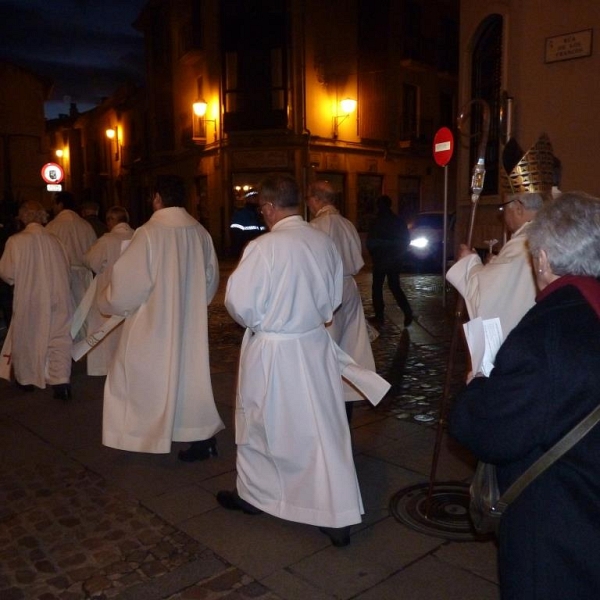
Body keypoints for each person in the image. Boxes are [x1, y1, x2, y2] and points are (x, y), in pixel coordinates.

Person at [450, 191, 600, 600]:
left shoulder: (548, 331)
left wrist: (476, 389)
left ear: (544, 259)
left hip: (562, 527)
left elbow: (491, 430)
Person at [219, 174, 364, 547]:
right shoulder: (323, 242)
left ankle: (259, 494)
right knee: (320, 428)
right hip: (313, 347)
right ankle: (332, 512)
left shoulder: (263, 247)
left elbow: (240, 303)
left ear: (268, 208)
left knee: (261, 423)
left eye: (262, 210)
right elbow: (333, 299)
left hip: (274, 351)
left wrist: (267, 323)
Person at [97, 175, 224, 459]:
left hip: (151, 323)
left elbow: (128, 284)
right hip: (187, 323)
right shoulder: (199, 232)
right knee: (188, 379)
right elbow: (211, 278)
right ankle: (199, 436)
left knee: (136, 378)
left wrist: (108, 302)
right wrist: (190, 305)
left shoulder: (148, 234)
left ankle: (143, 435)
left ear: (157, 197)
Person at [307, 180, 376, 422]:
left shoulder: (315, 226)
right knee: (349, 347)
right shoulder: (347, 224)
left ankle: (329, 411)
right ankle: (345, 407)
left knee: (327, 351)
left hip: (329, 291)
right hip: (350, 288)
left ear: (316, 199)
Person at [446, 191, 548, 339]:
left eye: (503, 208)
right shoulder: (549, 234)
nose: (503, 214)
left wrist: (469, 262)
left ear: (518, 208)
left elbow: (489, 300)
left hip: (521, 340)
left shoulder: (523, 243)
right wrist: (494, 266)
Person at [0, 201, 73, 400]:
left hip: (31, 296)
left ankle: (27, 379)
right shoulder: (56, 240)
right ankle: (61, 381)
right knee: (59, 338)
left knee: (27, 337)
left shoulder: (16, 241)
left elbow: (7, 273)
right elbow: (67, 267)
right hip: (59, 294)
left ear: (23, 217)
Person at [81, 206, 134, 376]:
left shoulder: (106, 240)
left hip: (108, 287)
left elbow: (91, 261)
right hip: (133, 289)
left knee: (105, 326)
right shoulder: (138, 235)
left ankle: (105, 366)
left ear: (111, 220)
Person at [45, 191, 97, 318]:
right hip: (84, 275)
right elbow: (95, 251)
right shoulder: (85, 225)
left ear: (60, 204)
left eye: (54, 204)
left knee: (65, 315)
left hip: (61, 276)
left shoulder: (52, 226)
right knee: (84, 313)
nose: (53, 207)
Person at [366, 195, 413, 327]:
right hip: (393, 259)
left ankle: (380, 316)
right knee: (394, 286)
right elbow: (405, 240)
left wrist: (377, 251)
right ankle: (407, 311)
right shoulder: (397, 221)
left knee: (378, 288)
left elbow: (371, 242)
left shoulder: (377, 222)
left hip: (382, 259)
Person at [229, 189, 265, 258]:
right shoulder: (241, 215)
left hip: (259, 251)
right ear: (248, 199)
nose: (257, 199)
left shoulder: (260, 214)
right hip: (247, 251)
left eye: (257, 197)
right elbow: (236, 235)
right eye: (254, 197)